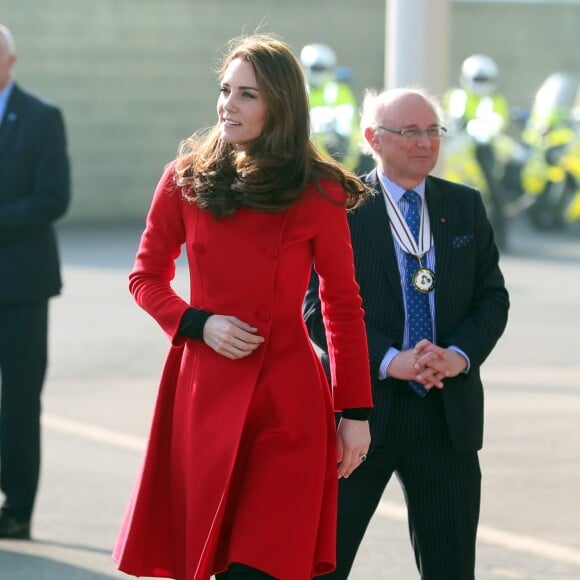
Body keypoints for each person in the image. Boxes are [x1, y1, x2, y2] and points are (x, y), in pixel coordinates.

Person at [112, 33, 373, 580]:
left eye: (247, 94)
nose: (229, 104)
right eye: (225, 90)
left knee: (260, 565)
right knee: (201, 557)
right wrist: (196, 323)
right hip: (204, 393)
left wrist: (355, 413)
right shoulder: (183, 177)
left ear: (280, 104)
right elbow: (145, 277)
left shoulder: (318, 190)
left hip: (288, 401)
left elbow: (341, 304)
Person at [304, 88, 510, 579]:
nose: (425, 143)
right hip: (362, 415)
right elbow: (316, 307)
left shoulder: (463, 206)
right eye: (410, 131)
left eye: (432, 131)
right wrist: (386, 359)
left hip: (446, 413)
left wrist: (458, 354)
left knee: (451, 568)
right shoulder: (342, 206)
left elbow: (493, 298)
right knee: (323, 562)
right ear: (373, 138)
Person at [0, 24, 71, 540]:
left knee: (21, 400)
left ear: (11, 60)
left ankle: (17, 508)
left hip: (21, 287)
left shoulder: (43, 118)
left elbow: (54, 197)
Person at [443, 54, 513, 249]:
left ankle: (500, 234)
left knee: (494, 188)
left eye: (485, 80)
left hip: (482, 149)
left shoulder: (495, 100)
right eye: (478, 79)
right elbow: (447, 117)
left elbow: (497, 122)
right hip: (456, 149)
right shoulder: (456, 96)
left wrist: (482, 128)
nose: (481, 84)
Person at [300, 43, 365, 173]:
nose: (316, 73)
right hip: (305, 157)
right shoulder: (297, 90)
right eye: (313, 68)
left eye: (321, 69)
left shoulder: (340, 91)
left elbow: (346, 124)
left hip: (340, 159)